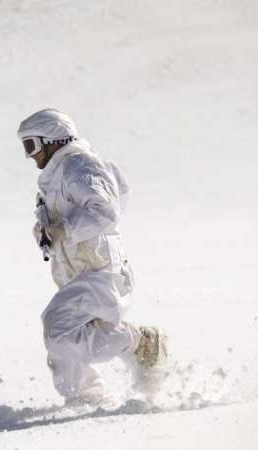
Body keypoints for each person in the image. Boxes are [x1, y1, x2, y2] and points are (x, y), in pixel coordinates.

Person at [17, 108, 168, 406]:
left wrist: (64, 230)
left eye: (32, 146)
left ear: (53, 139)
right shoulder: (56, 177)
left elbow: (106, 211)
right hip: (77, 271)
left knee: (58, 329)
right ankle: (85, 398)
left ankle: (139, 343)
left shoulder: (79, 166)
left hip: (100, 271)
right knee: (65, 340)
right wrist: (46, 232)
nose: (30, 156)